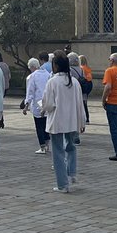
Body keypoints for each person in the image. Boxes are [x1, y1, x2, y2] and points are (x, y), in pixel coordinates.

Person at [43, 52, 86, 193]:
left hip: (57, 120)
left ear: (55, 66)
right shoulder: (74, 82)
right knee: (71, 146)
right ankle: (71, 173)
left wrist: (42, 108)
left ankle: (63, 184)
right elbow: (80, 104)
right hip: (72, 120)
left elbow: (48, 103)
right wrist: (82, 121)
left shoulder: (53, 82)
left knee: (58, 152)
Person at [23, 57, 51, 154]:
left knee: (39, 125)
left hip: (37, 103)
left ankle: (42, 146)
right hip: (46, 102)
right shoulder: (48, 74)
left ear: (32, 67)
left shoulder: (32, 76)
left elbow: (30, 92)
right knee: (46, 124)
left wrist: (26, 105)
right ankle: (47, 144)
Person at [79, 54, 93, 123]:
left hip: (84, 84)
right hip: (89, 84)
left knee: (83, 103)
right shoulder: (88, 68)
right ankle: (87, 117)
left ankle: (85, 117)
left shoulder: (81, 68)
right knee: (85, 102)